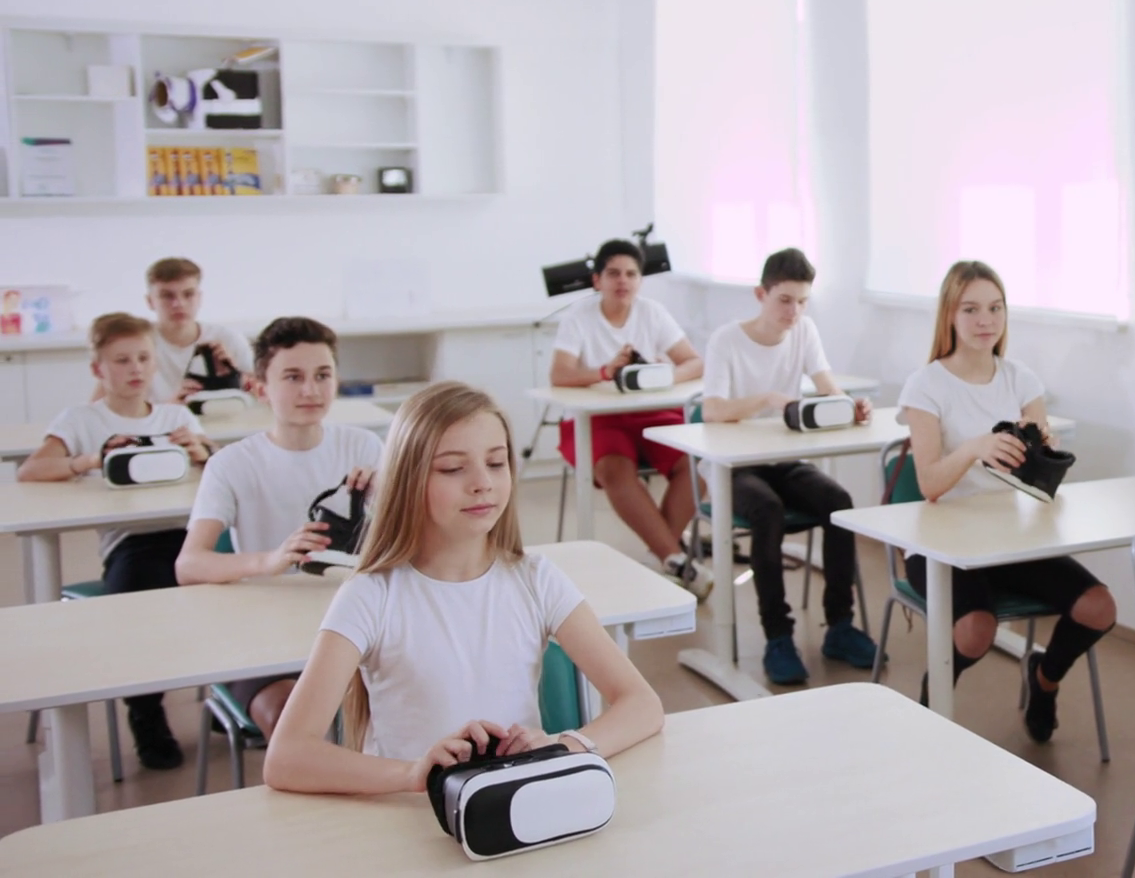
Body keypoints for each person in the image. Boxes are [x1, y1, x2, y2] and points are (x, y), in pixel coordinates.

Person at [263, 381, 664, 793]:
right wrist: (412, 774)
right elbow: (287, 757)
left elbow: (643, 704)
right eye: (453, 469)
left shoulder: (536, 579)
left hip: (516, 803)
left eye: (496, 463)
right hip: (411, 815)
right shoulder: (370, 595)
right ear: (407, 479)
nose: (482, 482)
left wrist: (564, 747)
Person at [896, 261, 1114, 739]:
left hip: (1006, 538)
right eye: (971, 309)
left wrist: (1044, 452)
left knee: (1098, 606)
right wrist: (973, 448)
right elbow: (929, 484)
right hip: (940, 543)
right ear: (949, 315)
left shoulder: (1020, 379)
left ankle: (1044, 679)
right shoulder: (926, 385)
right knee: (976, 631)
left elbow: (1040, 483)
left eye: (995, 308)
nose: (985, 321)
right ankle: (934, 696)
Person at [19, 312, 213, 769]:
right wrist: (91, 460)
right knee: (141, 605)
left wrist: (202, 452)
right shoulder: (82, 419)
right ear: (98, 369)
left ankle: (233, 694)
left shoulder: (176, 416)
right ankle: (146, 714)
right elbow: (30, 470)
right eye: (122, 360)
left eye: (144, 358)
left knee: (232, 591)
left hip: (189, 536)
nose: (135, 369)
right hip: (132, 543)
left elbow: (221, 473)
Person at [175, 316, 384, 739]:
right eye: (293, 377)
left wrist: (388, 499)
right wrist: (270, 560)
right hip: (261, 630)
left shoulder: (364, 446)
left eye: (322, 375)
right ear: (259, 388)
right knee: (292, 720)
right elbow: (189, 565)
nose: (311, 390)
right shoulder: (231, 464)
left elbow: (414, 544)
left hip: (353, 616)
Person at [701, 248, 877, 686]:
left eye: (802, 302)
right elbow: (712, 411)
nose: (794, 312)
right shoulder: (726, 340)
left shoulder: (804, 331)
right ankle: (778, 637)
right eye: (785, 300)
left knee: (839, 503)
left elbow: (828, 388)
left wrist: (850, 407)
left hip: (783, 461)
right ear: (760, 294)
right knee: (768, 511)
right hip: (732, 468)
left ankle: (840, 626)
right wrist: (765, 399)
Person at [548, 238, 709, 598]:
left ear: (640, 280)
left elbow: (694, 362)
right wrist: (605, 371)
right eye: (614, 273)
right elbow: (559, 374)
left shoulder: (652, 312)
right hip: (595, 419)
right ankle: (674, 557)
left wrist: (664, 374)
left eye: (631, 274)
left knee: (697, 465)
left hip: (651, 414)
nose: (623, 281)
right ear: (597, 281)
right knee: (614, 469)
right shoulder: (578, 317)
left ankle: (663, 559)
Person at [142, 257, 254, 405]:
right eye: (167, 296)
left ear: (199, 298)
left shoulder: (228, 339)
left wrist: (234, 375)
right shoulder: (136, 345)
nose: (179, 304)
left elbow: (264, 396)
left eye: (188, 294)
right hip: (161, 420)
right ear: (150, 301)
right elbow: (114, 409)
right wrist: (171, 410)